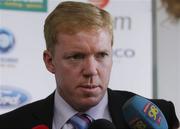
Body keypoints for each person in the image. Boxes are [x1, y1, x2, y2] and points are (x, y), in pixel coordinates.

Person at [0, 1, 179, 129]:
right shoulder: (10, 124)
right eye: (76, 57)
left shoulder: (159, 117)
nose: (91, 70)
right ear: (50, 61)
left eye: (102, 55)